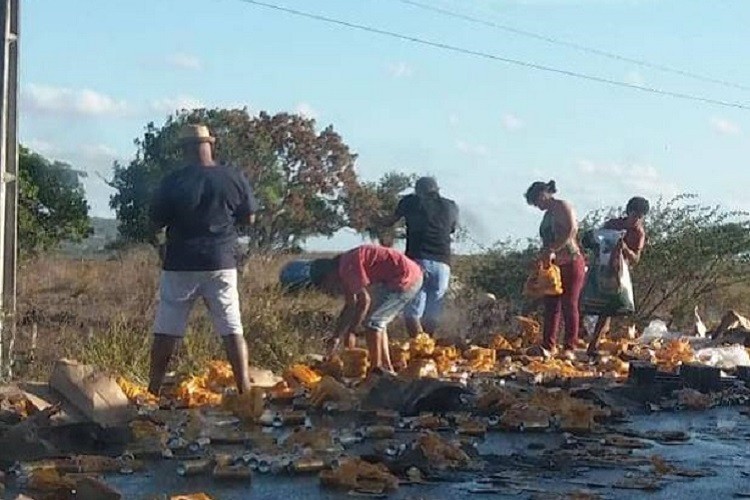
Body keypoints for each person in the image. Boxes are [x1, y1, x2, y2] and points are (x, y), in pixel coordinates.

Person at [148, 124, 258, 396]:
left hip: (180, 262)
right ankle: (244, 389)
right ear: (210, 145)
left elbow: (154, 223)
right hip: (221, 261)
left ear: (185, 149)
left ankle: (152, 391)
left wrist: (160, 246)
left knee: (167, 329)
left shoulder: (173, 181)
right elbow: (250, 217)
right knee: (232, 327)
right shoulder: (233, 177)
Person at [280, 244, 423, 374]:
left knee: (373, 323)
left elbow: (364, 301)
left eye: (326, 286)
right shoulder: (345, 269)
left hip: (405, 277)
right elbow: (351, 306)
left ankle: (376, 369)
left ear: (329, 276)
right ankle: (386, 368)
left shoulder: (347, 268)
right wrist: (337, 336)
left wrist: (352, 332)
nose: (329, 290)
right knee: (379, 323)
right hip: (402, 276)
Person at [383, 177, 458, 337]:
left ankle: (418, 348)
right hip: (443, 264)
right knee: (433, 310)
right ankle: (428, 346)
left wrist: (373, 220)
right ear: (437, 189)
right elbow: (451, 229)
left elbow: (389, 221)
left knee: (413, 309)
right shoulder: (450, 206)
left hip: (417, 261)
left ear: (418, 191)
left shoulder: (411, 202)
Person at [525, 180, 585, 358]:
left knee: (569, 303)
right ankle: (548, 345)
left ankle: (569, 346)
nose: (538, 206)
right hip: (553, 266)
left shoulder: (562, 206)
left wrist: (553, 249)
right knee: (551, 304)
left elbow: (571, 231)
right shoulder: (547, 215)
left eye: (537, 201)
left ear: (544, 194)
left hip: (571, 261)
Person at [586, 197, 649, 357]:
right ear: (628, 213)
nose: (636, 220)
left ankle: (595, 343)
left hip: (619, 274)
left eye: (640, 217)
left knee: (608, 309)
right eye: (635, 215)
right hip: (602, 267)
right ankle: (586, 340)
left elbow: (635, 259)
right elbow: (598, 241)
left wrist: (625, 248)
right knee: (589, 303)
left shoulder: (638, 233)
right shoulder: (613, 224)